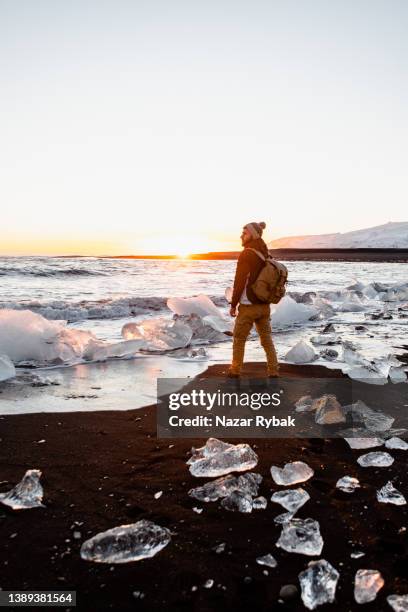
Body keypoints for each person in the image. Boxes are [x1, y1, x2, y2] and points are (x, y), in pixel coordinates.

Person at [227, 221, 279, 378]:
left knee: (239, 338)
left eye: (245, 233)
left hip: (248, 306)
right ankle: (273, 370)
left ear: (253, 235)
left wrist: (233, 304)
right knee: (266, 339)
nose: (241, 236)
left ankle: (235, 370)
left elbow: (239, 281)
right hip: (264, 306)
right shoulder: (265, 253)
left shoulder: (247, 253)